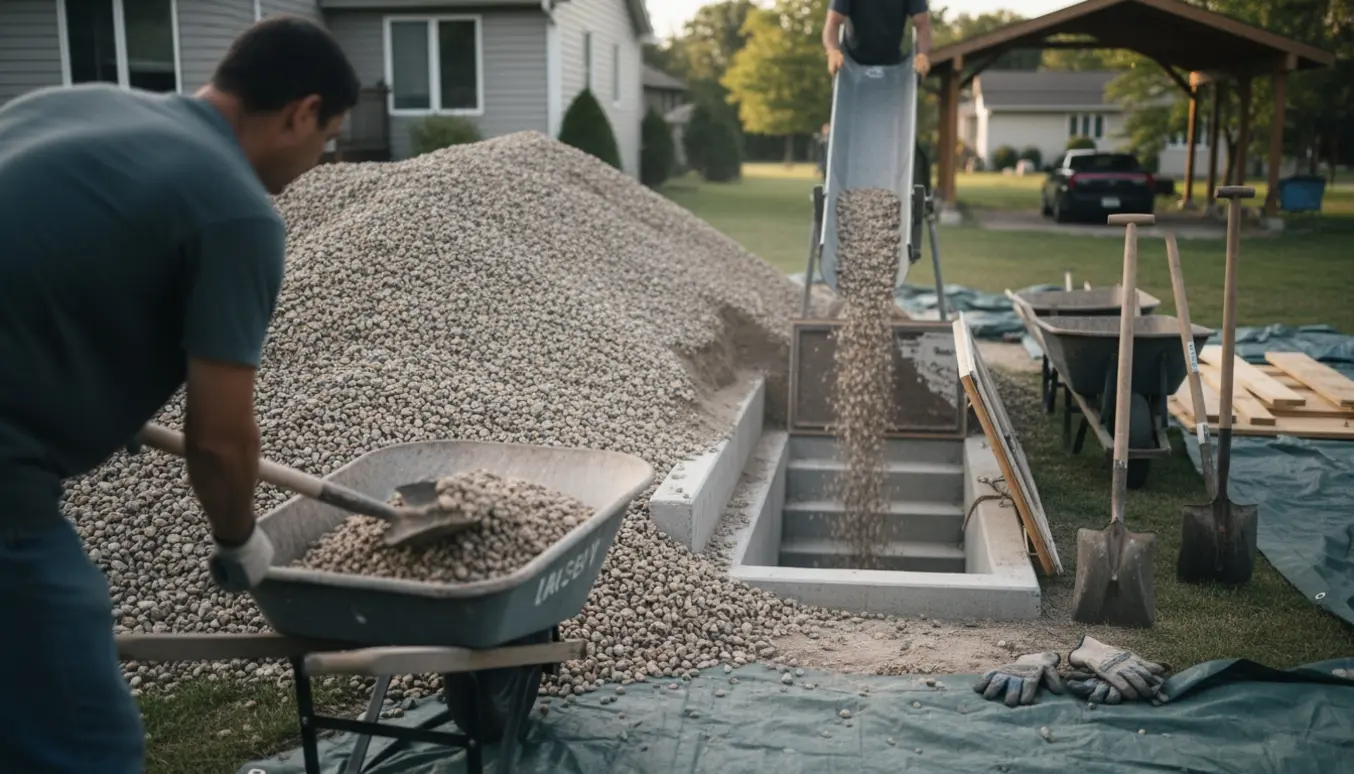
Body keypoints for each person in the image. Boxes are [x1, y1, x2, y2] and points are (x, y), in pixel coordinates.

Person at [0, 15, 359, 773]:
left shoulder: (76, 104)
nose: (318, 161)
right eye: (326, 140)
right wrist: (238, 540)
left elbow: (41, 258)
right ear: (301, 113)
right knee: (84, 743)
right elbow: (220, 440)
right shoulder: (236, 210)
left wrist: (88, 394)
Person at [823, 0, 933, 77]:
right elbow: (832, 23)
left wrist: (922, 54)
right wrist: (833, 51)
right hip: (852, 63)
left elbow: (922, 24)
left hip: (892, 62)